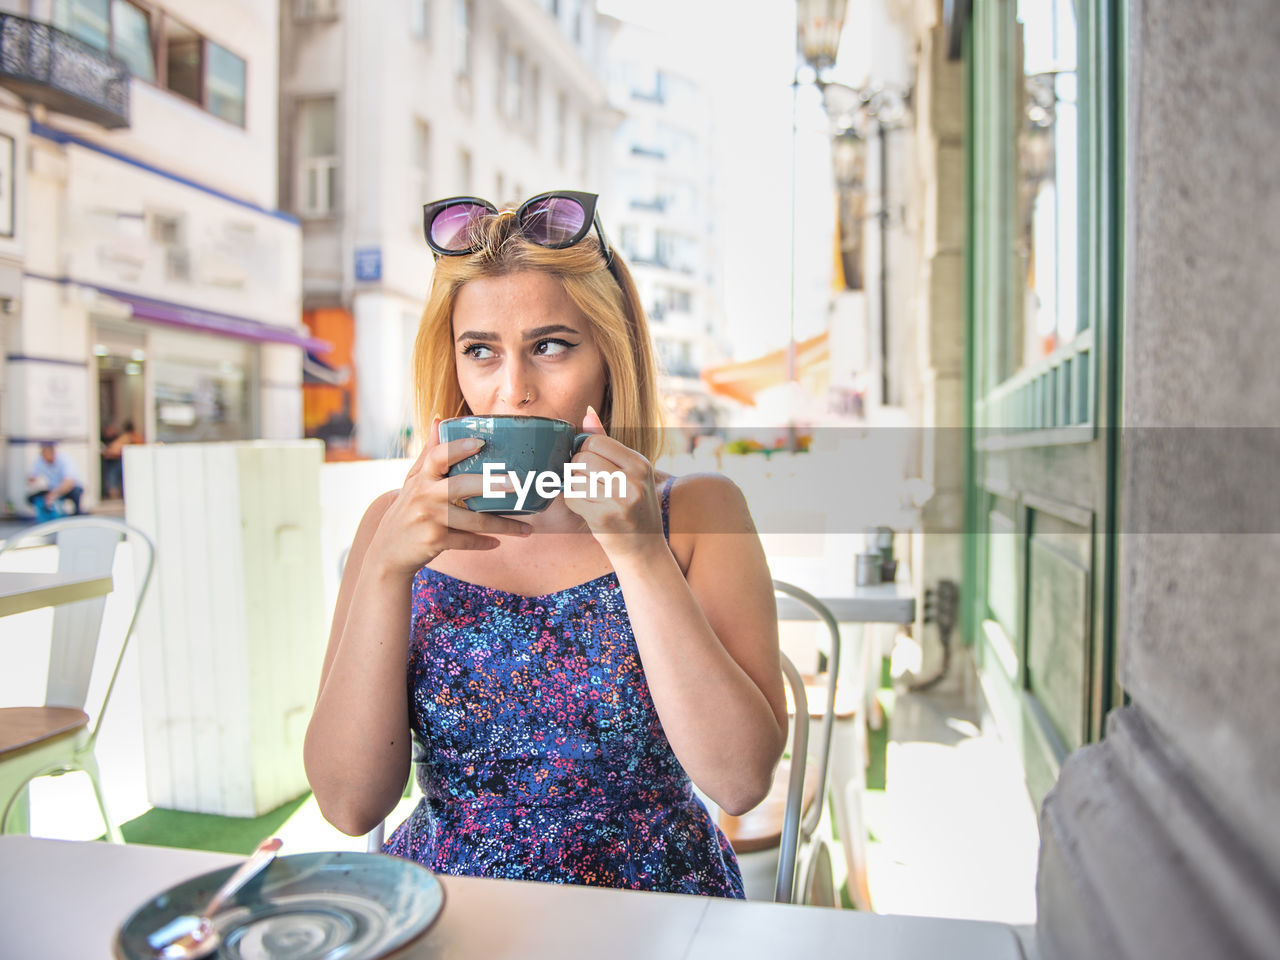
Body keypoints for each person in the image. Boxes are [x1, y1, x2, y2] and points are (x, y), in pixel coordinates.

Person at [305, 191, 785, 898]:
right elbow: (348, 807)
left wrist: (640, 555)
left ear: (609, 358)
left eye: (550, 346)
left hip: (653, 909)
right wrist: (383, 571)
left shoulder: (698, 512)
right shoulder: (393, 527)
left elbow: (741, 781)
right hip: (448, 906)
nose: (512, 391)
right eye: (481, 352)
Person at [27, 441, 83, 517]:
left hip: (70, 488)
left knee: (76, 493)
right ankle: (46, 516)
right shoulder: (40, 460)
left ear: (52, 452)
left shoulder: (64, 459)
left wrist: (54, 494)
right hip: (53, 488)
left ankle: (77, 515)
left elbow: (69, 483)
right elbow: (32, 477)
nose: (43, 456)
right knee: (31, 497)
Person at [101, 419, 141, 499]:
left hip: (121, 462)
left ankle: (114, 493)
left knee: (114, 475)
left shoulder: (126, 437)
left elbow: (112, 451)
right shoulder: (134, 437)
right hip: (121, 462)